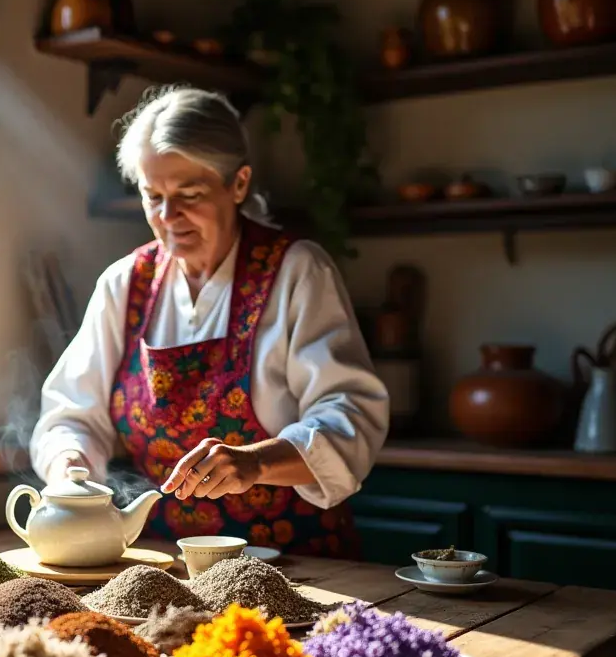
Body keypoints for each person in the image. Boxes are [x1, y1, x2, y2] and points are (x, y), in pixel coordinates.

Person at [30, 86, 389, 557]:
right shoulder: (126, 284)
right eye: (151, 195)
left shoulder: (297, 271)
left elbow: (350, 417)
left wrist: (255, 463)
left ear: (238, 184)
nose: (166, 216)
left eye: (189, 194)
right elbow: (71, 412)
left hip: (295, 562)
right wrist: (70, 465)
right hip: (162, 564)